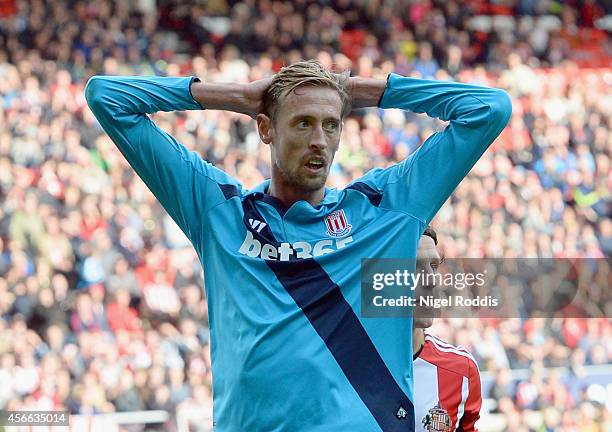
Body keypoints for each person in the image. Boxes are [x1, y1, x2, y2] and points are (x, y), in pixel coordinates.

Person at [85, 60, 510, 431]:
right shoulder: (221, 214)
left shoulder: (383, 210)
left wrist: (367, 92)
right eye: (303, 122)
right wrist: (234, 95)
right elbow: (107, 97)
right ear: (266, 128)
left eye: (331, 125)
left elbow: (490, 109)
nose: (319, 141)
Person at [413, 227, 482, 431]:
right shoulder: (343, 364)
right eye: (414, 267)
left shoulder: (461, 370)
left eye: (434, 266)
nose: (432, 280)